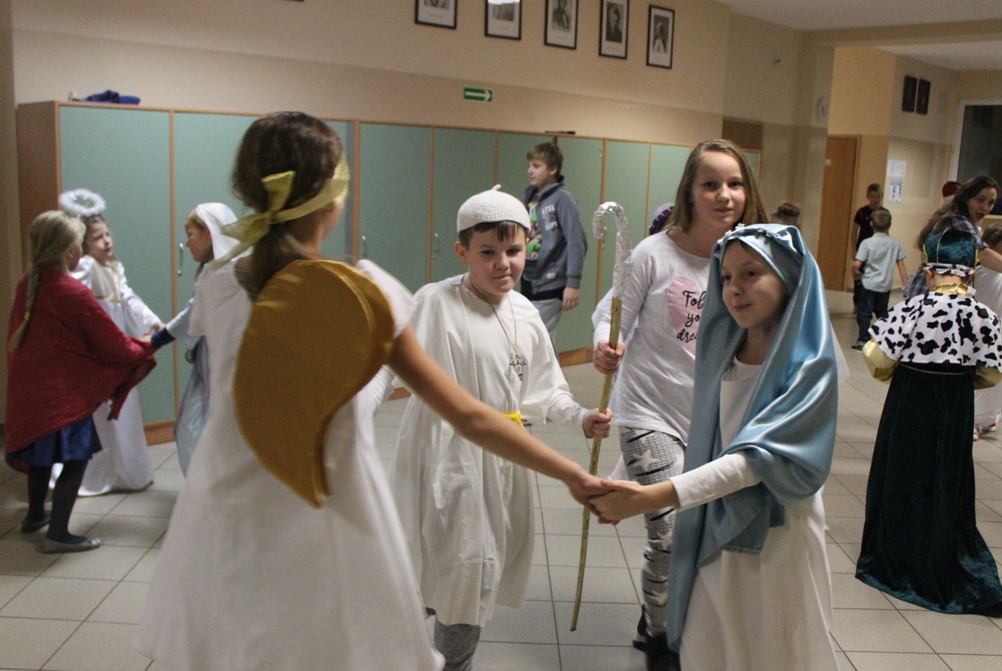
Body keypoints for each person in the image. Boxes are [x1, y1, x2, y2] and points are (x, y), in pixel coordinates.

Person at [136, 111, 608, 671]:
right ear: (332, 203)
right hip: (325, 497)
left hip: (229, 499)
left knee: (243, 640)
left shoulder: (217, 283)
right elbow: (470, 417)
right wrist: (574, 475)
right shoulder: (364, 294)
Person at [592, 224, 839, 671]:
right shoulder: (724, 350)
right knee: (709, 640)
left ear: (788, 277)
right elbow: (709, 432)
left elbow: (756, 461)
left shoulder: (808, 367)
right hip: (714, 518)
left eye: (751, 274)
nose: (734, 289)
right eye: (725, 277)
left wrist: (653, 496)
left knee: (769, 645)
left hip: (777, 533)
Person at [393, 186, 612, 671]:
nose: (503, 264)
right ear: (462, 252)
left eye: (513, 251)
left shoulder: (526, 312)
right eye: (487, 253)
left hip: (502, 458)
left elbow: (546, 390)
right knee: (454, 565)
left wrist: (581, 418)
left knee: (473, 571)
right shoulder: (435, 302)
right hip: (445, 455)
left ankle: (448, 661)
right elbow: (387, 366)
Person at [592, 139, 766, 671]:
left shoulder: (749, 258)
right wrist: (605, 344)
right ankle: (662, 641)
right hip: (648, 412)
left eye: (734, 183)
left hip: (714, 416)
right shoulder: (654, 254)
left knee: (702, 529)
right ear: (690, 191)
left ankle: (658, 612)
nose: (724, 195)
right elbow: (612, 312)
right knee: (667, 530)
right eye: (710, 184)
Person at [856, 229, 1002, 616]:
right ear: (971, 272)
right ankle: (942, 545)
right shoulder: (983, 315)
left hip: (910, 399)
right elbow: (991, 373)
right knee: (946, 474)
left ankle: (898, 548)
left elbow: (877, 357)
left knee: (903, 470)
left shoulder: (912, 309)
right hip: (954, 403)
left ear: (929, 270)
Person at [5, 211, 156, 553]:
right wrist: (148, 344)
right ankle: (58, 534)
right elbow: (113, 345)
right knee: (75, 460)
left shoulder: (27, 285)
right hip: (64, 398)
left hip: (31, 394)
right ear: (70, 251)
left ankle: (34, 516)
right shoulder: (72, 292)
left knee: (41, 457)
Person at [59, 192, 164, 496]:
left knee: (122, 410)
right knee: (99, 415)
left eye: (107, 235)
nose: (106, 241)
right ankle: (95, 477)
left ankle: (126, 472)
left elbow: (129, 300)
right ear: (84, 244)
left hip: (117, 350)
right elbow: (76, 304)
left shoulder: (115, 269)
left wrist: (152, 322)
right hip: (94, 352)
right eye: (97, 237)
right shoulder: (86, 267)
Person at [149, 204, 238, 474]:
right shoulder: (213, 269)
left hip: (225, 365)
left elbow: (193, 313)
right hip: (208, 362)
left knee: (206, 430)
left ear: (209, 233)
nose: (187, 243)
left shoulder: (226, 272)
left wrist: (157, 339)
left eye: (190, 235)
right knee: (190, 427)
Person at [521, 142, 588, 342]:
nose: (530, 170)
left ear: (552, 169)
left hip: (551, 280)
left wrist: (573, 283)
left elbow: (576, 241)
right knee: (536, 338)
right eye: (529, 165)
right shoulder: (530, 197)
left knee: (538, 339)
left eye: (536, 166)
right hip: (530, 277)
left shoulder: (562, 199)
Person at [906, 175, 1000, 299]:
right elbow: (982, 253)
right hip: (931, 296)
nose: (985, 207)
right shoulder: (956, 220)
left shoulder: (966, 223)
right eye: (980, 200)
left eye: (991, 203)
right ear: (966, 198)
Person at [851, 209, 907, 351]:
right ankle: (883, 338)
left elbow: (857, 264)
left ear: (871, 224)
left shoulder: (867, 243)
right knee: (882, 313)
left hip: (869, 284)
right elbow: (901, 264)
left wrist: (854, 273)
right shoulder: (894, 244)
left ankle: (863, 340)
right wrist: (905, 283)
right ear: (889, 226)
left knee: (864, 313)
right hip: (885, 286)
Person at [974, 222, 1002, 438]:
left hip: (999, 329)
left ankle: (989, 416)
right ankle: (973, 419)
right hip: (981, 331)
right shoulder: (980, 270)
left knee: (997, 376)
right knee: (980, 374)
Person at [852, 183, 883, 310]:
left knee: (874, 276)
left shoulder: (884, 213)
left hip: (877, 251)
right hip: (862, 250)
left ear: (881, 196)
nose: (875, 199)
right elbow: (854, 231)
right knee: (858, 275)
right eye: (872, 196)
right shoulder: (861, 212)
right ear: (868, 197)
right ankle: (857, 302)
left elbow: (886, 233)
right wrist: (854, 250)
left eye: (878, 196)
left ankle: (871, 303)